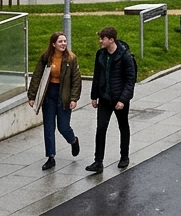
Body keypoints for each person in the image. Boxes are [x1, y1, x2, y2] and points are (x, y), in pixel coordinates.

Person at [27, 32, 83, 170]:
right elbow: (37, 76)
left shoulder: (71, 59)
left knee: (63, 127)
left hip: (63, 95)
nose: (63, 44)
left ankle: (73, 140)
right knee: (49, 127)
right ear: (53, 44)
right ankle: (50, 157)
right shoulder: (46, 57)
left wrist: (74, 98)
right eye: (60, 42)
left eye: (64, 41)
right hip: (49, 95)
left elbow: (76, 80)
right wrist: (32, 96)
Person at [87, 26, 137, 171]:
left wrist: (123, 99)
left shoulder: (125, 56)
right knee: (101, 128)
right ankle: (98, 161)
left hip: (119, 98)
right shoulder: (100, 55)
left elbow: (130, 79)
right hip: (104, 98)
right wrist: (94, 96)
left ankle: (124, 156)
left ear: (111, 40)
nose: (100, 41)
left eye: (102, 39)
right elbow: (97, 76)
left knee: (123, 126)